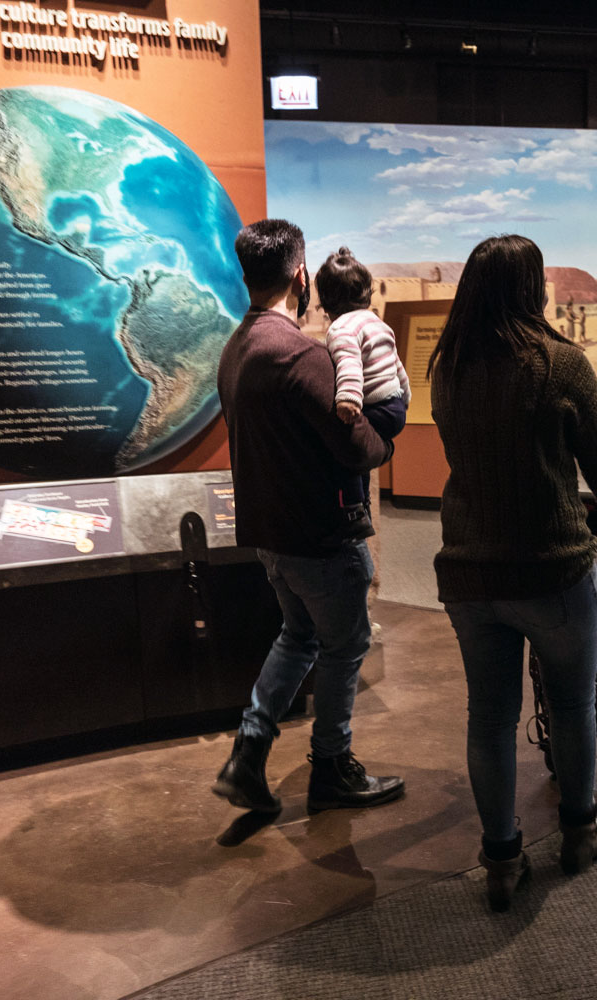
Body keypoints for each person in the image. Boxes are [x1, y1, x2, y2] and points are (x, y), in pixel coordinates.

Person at [430, 234, 597, 912]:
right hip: (553, 571)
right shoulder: (561, 364)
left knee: (488, 719)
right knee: (573, 706)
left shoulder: (447, 367)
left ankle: (502, 860)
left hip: (468, 574)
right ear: (532, 286)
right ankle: (579, 834)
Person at [212, 219, 405, 816]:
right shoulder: (298, 353)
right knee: (345, 647)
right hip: (321, 537)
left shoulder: (236, 348)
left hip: (270, 536)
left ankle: (249, 751)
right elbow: (355, 443)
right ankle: (332, 767)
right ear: (299, 276)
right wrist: (385, 444)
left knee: (298, 636)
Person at [316, 246, 412, 533]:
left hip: (373, 407)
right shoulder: (377, 323)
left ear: (327, 302)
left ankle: (353, 510)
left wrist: (347, 399)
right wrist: (405, 397)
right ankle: (362, 505)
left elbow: (349, 365)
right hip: (394, 406)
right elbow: (396, 364)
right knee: (360, 460)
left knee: (343, 449)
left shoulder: (341, 329)